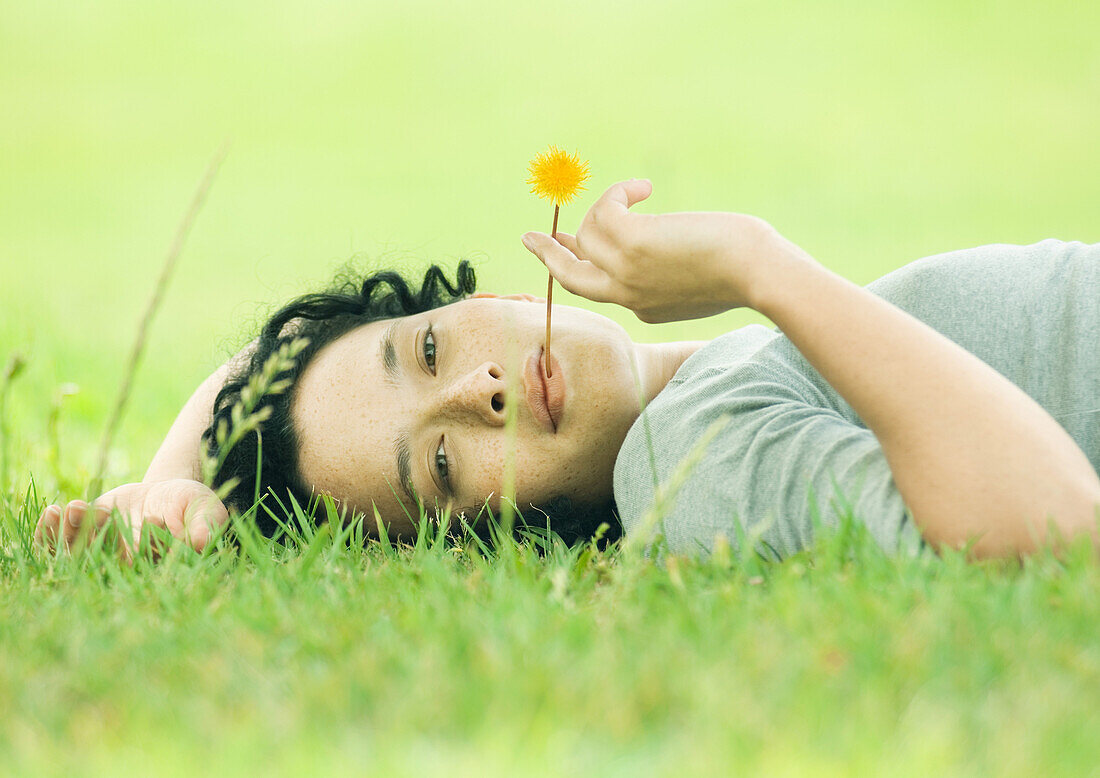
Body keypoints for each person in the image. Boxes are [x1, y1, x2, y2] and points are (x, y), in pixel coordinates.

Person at [34, 179, 1100, 561]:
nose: (478, 390)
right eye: (444, 461)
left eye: (431, 348)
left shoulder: (709, 384)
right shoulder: (688, 466)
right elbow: (1052, 531)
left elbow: (262, 371)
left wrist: (166, 480)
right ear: (498, 533)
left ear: (481, 299)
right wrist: (757, 265)